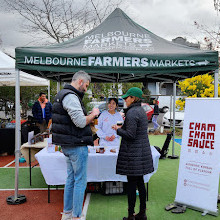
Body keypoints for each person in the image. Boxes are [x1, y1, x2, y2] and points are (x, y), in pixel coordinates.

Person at [52, 71, 99, 220]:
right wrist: (93, 114)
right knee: (79, 181)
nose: (86, 89)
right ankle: (76, 216)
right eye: (86, 85)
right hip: (76, 144)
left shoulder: (62, 94)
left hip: (67, 144)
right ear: (80, 81)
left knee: (71, 179)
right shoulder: (71, 97)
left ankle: (67, 213)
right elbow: (79, 122)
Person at [112, 87, 154, 220]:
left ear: (133, 98)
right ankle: (142, 213)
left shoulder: (132, 112)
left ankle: (131, 215)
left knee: (131, 185)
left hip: (133, 154)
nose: (125, 100)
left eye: (127, 97)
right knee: (140, 183)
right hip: (141, 153)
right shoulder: (140, 110)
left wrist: (118, 129)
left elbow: (130, 135)